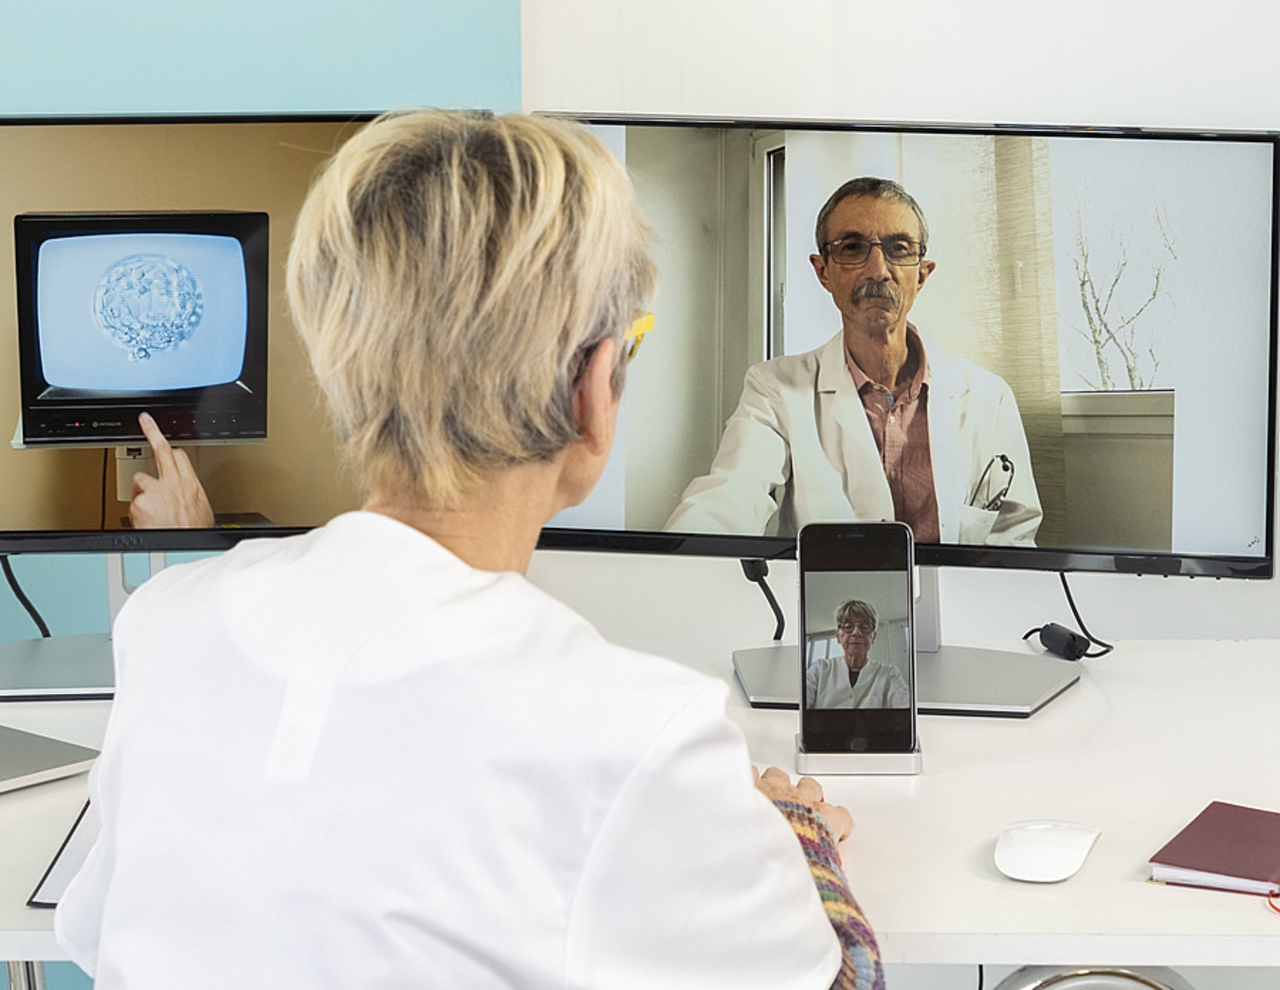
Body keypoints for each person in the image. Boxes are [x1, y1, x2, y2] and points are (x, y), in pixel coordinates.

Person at [57, 111, 883, 989]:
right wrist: (800, 836)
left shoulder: (162, 625)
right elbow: (845, 977)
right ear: (593, 393)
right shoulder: (642, 735)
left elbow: (99, 931)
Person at [666, 175, 1041, 545]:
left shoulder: (988, 397)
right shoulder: (775, 389)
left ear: (921, 275)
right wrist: (673, 560)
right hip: (828, 588)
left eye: (899, 248)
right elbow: (729, 496)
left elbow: (1014, 540)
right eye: (852, 247)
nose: (878, 270)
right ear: (823, 271)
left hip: (956, 588)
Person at [805, 599, 910, 710]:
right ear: (838, 636)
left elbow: (906, 707)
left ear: (873, 637)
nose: (856, 632)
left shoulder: (889, 675)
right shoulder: (819, 670)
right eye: (847, 626)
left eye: (865, 627)